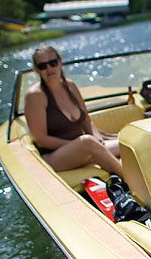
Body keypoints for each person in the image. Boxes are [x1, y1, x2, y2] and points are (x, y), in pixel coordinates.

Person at [24, 46, 123, 178]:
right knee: (87, 141)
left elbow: (86, 120)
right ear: (37, 69)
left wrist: (97, 138)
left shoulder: (70, 86)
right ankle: (133, 183)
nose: (49, 69)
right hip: (55, 157)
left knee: (127, 141)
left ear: (60, 62)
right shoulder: (35, 96)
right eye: (42, 66)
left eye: (53, 63)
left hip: (85, 147)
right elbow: (41, 140)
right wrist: (83, 146)